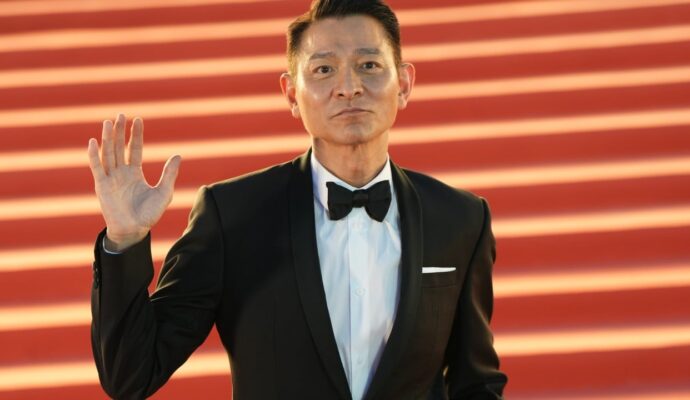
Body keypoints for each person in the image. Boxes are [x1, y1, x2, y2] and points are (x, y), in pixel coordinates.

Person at [87, 0, 508, 399]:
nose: (349, 88)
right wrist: (124, 239)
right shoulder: (232, 217)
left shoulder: (460, 219)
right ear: (291, 94)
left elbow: (476, 383)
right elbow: (131, 375)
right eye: (324, 69)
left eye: (369, 65)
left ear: (404, 84)